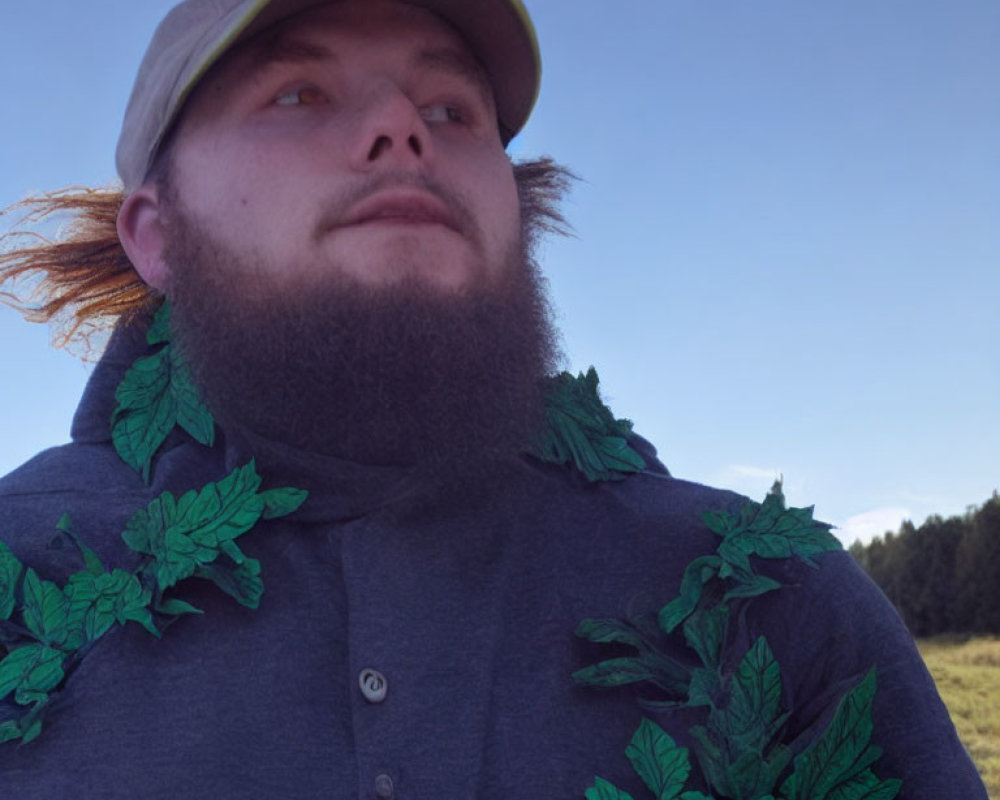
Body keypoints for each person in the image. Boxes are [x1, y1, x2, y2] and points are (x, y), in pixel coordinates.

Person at [0, 0, 987, 797]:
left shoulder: (769, 600)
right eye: (299, 93)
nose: (399, 126)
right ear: (155, 232)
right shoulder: (19, 569)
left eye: (449, 111)